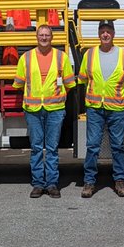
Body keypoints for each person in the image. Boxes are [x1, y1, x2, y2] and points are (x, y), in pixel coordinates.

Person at [13, 23, 77, 198]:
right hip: (33, 109)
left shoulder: (61, 57)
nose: (44, 38)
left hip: (55, 109)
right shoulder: (26, 58)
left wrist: (56, 95)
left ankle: (52, 184)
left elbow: (69, 84)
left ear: (52, 37)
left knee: (52, 148)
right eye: (41, 35)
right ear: (36, 36)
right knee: (35, 148)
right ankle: (38, 184)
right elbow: (19, 83)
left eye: (47, 35)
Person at [78, 19, 124, 198]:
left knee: (118, 146)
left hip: (117, 108)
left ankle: (120, 180)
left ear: (113, 34)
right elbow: (83, 78)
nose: (105, 34)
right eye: (102, 31)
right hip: (95, 107)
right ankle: (89, 182)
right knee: (92, 146)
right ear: (98, 34)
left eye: (108, 31)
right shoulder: (89, 54)